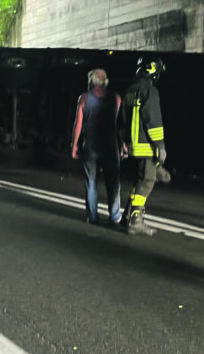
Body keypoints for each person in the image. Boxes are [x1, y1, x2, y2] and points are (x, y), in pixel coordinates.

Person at [119, 56, 168, 235]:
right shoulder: (149, 91)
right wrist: (160, 146)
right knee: (147, 180)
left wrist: (125, 143)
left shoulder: (131, 90)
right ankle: (136, 220)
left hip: (132, 146)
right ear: (154, 72)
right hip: (146, 146)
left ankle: (127, 216)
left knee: (139, 180)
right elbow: (153, 121)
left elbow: (121, 121)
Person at [71, 68, 122, 225]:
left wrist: (74, 145)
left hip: (91, 146)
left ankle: (92, 216)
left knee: (91, 182)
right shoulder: (116, 98)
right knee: (113, 182)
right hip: (110, 146)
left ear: (91, 81)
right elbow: (119, 124)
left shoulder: (84, 98)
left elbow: (78, 124)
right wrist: (123, 145)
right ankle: (114, 216)